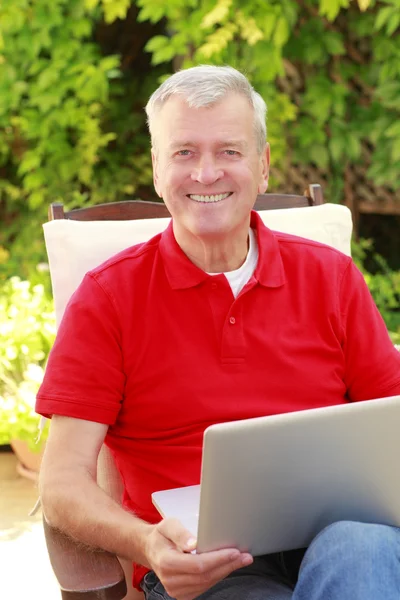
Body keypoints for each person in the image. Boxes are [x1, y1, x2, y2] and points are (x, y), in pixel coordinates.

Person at [36, 65, 400, 600]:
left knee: (364, 550)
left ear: (264, 165)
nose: (207, 174)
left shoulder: (332, 277)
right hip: (202, 568)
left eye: (229, 151)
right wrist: (147, 543)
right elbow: (62, 483)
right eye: (184, 152)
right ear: (157, 170)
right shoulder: (107, 298)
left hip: (339, 538)